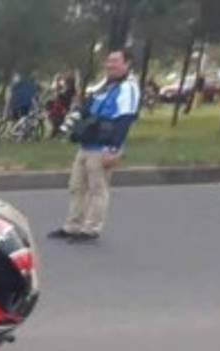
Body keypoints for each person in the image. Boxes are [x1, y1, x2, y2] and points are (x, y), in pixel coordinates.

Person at [48, 48, 139, 244]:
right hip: (87, 144)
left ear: (127, 64)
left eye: (115, 61)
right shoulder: (104, 86)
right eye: (108, 61)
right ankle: (72, 226)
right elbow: (86, 109)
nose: (110, 65)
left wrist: (113, 149)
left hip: (103, 147)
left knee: (98, 189)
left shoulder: (128, 88)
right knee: (76, 186)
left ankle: (91, 229)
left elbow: (125, 119)